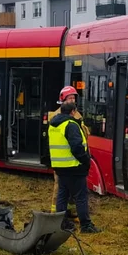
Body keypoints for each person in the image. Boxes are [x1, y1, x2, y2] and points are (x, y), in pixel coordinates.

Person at [49, 102, 100, 233]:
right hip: (74, 167)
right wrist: (86, 161)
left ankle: (61, 223)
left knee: (62, 195)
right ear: (73, 111)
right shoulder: (70, 125)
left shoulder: (53, 125)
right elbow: (77, 147)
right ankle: (86, 225)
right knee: (81, 196)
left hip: (60, 167)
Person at [46, 86, 82, 225]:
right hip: (61, 158)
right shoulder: (55, 116)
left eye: (74, 98)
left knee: (72, 188)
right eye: (70, 98)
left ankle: (70, 211)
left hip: (73, 159)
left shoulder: (77, 114)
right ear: (62, 100)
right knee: (59, 186)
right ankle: (55, 213)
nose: (73, 100)